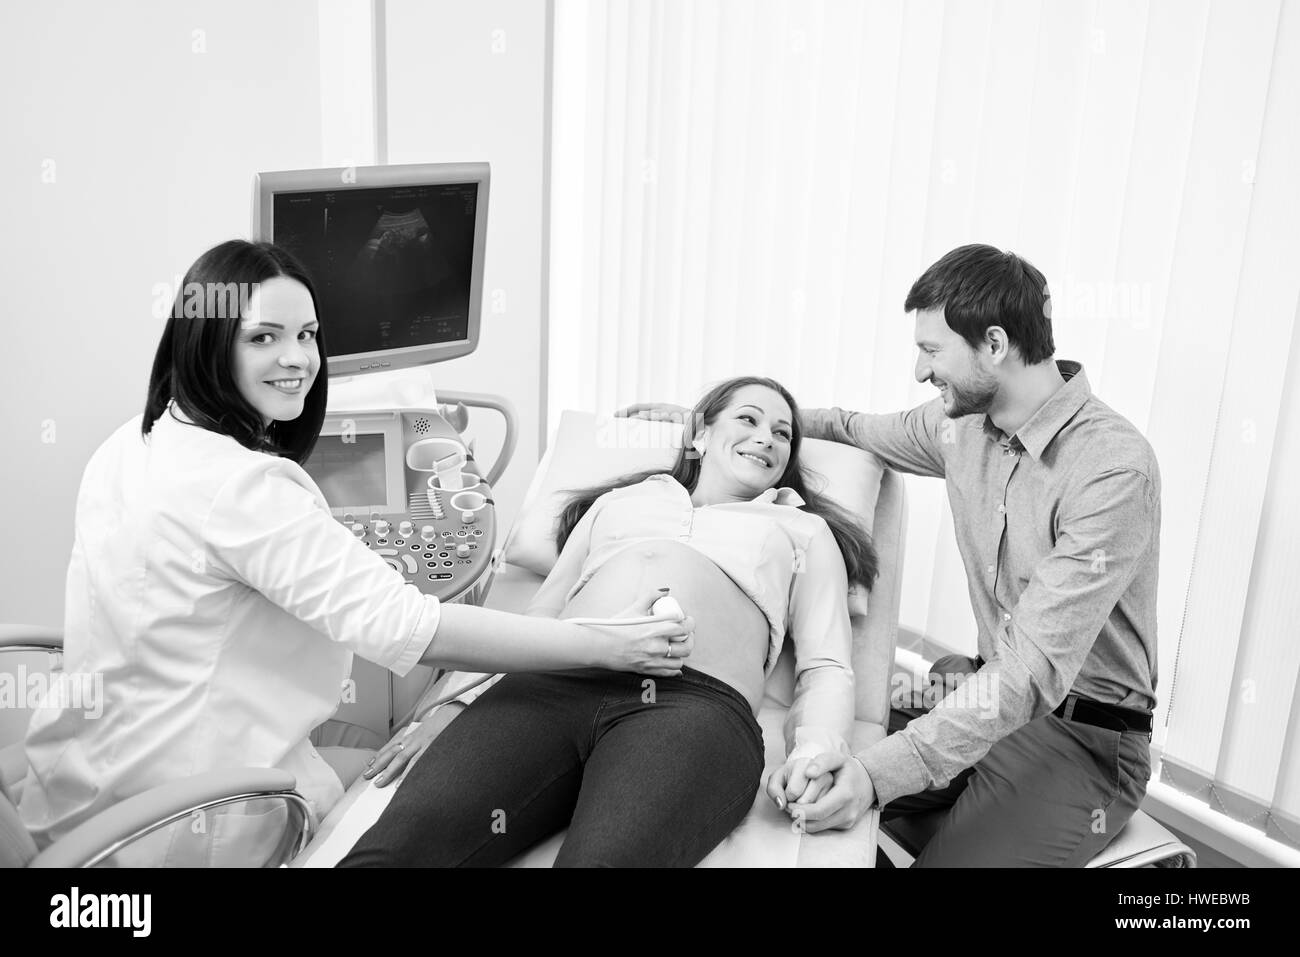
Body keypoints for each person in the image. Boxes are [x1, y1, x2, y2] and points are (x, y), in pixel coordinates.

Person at [18, 240, 693, 868]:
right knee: (407, 773)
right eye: (264, 337)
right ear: (207, 342)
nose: (298, 359)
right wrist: (605, 644)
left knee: (398, 740)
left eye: (307, 334)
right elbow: (410, 626)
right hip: (186, 820)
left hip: (72, 788)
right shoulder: (244, 487)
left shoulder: (133, 442)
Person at [624, 244, 1160, 867]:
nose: (919, 370)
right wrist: (717, 423)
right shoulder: (959, 426)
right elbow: (852, 427)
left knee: (875, 796)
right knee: (791, 798)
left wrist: (876, 776)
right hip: (979, 690)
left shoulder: (1112, 468)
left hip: (1081, 735)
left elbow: (1032, 672)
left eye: (932, 351)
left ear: (993, 344)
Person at [337, 375, 878, 867]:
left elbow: (826, 665)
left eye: (783, 434)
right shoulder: (618, 503)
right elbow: (540, 619)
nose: (767, 438)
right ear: (699, 435)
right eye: (749, 419)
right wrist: (459, 704)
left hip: (691, 708)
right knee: (395, 851)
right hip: (549, 684)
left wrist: (817, 750)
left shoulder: (801, 530)